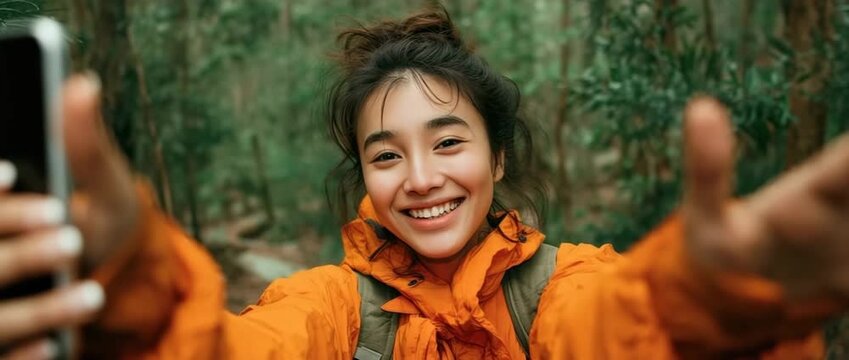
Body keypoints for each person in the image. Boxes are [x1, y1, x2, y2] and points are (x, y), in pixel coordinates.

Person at [1, 7, 848, 360]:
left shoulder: (563, 285)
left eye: (448, 142)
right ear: (363, 178)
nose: (422, 179)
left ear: (499, 158)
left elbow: (621, 326)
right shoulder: (332, 306)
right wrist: (130, 304)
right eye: (385, 154)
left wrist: (717, 307)